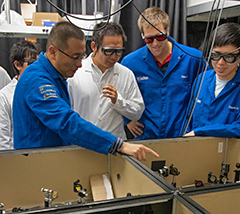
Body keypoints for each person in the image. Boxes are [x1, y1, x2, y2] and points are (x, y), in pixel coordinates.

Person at [12, 21, 158, 161]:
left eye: (81, 56)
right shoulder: (37, 79)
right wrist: (119, 145)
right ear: (53, 51)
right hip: (38, 163)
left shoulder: (56, 77)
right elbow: (66, 122)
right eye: (75, 57)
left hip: (58, 157)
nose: (80, 64)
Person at [121, 6, 207, 140]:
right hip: (146, 136)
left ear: (167, 30)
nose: (155, 44)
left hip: (181, 136)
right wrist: (127, 120)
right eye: (149, 39)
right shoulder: (130, 62)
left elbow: (206, 95)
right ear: (142, 36)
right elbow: (120, 94)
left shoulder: (193, 58)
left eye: (160, 37)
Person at [184, 23, 240, 139]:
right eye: (216, 55)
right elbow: (188, 119)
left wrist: (201, 131)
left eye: (229, 57)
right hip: (195, 149)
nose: (220, 62)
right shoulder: (202, 79)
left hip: (227, 153)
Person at [68, 22, 144, 140]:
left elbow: (137, 112)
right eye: (109, 51)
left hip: (115, 146)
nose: (114, 57)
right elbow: (66, 113)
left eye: (119, 51)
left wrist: (118, 101)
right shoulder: (75, 72)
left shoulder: (126, 74)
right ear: (94, 46)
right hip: (82, 145)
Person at [0, 40, 41, 150]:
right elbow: (3, 141)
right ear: (18, 65)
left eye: (39, 63)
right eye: (32, 63)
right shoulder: (5, 96)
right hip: (17, 159)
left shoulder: (43, 91)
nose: (37, 68)